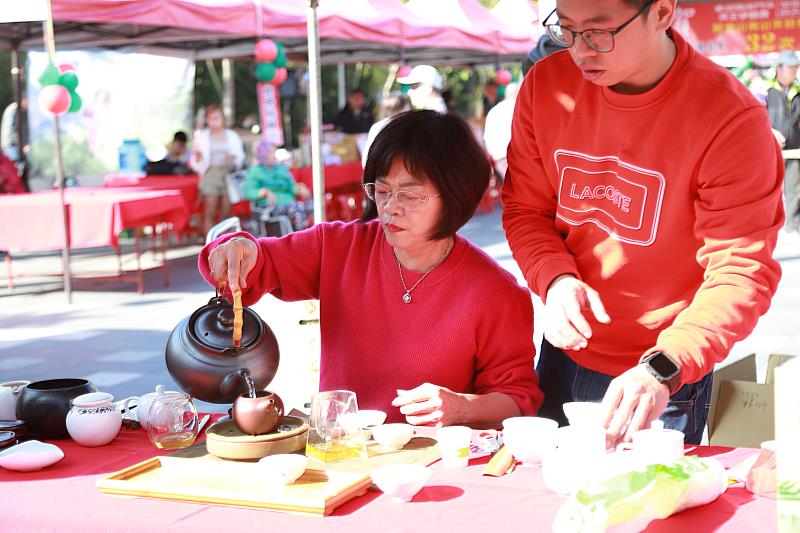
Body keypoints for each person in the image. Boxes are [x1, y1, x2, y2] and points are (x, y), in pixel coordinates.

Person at [502, 0, 783, 445]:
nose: (580, 51)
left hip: (662, 378)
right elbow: (525, 210)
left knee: (642, 508)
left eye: (599, 31)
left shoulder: (729, 118)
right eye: (567, 29)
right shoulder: (546, 86)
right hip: (563, 355)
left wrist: (664, 367)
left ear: (663, 12)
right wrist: (553, 280)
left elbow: (740, 272)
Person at [201, 110, 543, 427]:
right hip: (340, 450)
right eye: (381, 190)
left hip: (434, 467)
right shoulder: (339, 247)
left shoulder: (495, 292)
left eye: (410, 195)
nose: (391, 208)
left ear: (456, 195)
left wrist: (461, 408)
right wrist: (236, 249)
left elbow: (517, 399)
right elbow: (261, 262)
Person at [190, 105, 245, 236]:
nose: (213, 122)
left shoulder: (231, 135)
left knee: (227, 211)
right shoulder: (202, 137)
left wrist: (233, 159)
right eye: (211, 119)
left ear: (222, 119)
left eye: (217, 118)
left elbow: (240, 156)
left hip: (228, 174)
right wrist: (198, 159)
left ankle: (225, 242)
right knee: (210, 211)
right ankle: (210, 245)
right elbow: (195, 160)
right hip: (211, 173)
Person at [764, 50, 800, 233]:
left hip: (795, 149)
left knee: (795, 188)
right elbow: (754, 116)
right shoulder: (765, 89)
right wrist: (770, 132)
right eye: (791, 68)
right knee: (769, 187)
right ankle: (768, 224)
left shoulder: (798, 90)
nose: (795, 71)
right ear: (779, 69)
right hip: (769, 149)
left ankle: (793, 226)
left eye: (796, 68)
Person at [243, 142, 313, 231]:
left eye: (273, 152)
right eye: (270, 153)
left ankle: (311, 232)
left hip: (290, 203)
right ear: (262, 155)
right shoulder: (255, 171)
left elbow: (291, 186)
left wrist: (300, 189)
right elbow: (248, 192)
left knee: (313, 204)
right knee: (298, 208)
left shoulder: (281, 168)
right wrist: (264, 192)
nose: (273, 155)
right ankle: (302, 236)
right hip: (270, 206)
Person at [361, 92, 411, 167]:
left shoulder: (377, 127)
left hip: (383, 171)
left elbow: (366, 160)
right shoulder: (408, 126)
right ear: (404, 107)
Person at [483, 82, 520, 182]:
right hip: (516, 157)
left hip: (497, 158)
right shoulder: (520, 109)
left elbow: (487, 137)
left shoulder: (494, 110)